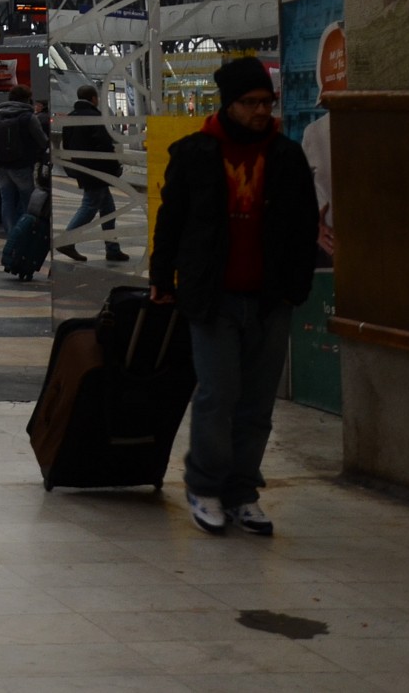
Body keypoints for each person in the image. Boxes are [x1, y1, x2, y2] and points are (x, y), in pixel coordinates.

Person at [151, 57, 319, 537]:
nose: (261, 111)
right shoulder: (195, 153)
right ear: (229, 104)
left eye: (266, 103)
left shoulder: (285, 157)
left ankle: (242, 492)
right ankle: (205, 487)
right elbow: (172, 221)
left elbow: (305, 225)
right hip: (213, 296)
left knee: (258, 405)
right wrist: (163, 277)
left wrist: (296, 287)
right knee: (218, 395)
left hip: (269, 298)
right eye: (251, 103)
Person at [58, 84, 127, 261]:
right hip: (98, 171)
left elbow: (66, 145)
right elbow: (104, 146)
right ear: (93, 99)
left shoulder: (71, 118)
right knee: (89, 206)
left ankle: (112, 248)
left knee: (108, 209)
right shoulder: (95, 117)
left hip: (83, 169)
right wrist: (114, 168)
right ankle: (67, 240)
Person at [0, 84, 50, 235]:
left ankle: (10, 233)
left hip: (0, 166)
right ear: (27, 99)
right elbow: (42, 141)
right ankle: (24, 232)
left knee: (6, 200)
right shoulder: (28, 117)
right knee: (27, 199)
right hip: (22, 165)